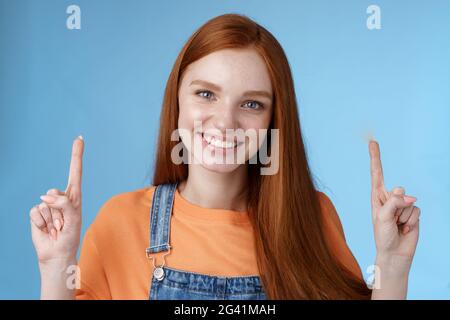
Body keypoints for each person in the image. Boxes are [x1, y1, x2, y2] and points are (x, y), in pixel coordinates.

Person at [30, 14, 420, 300]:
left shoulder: (310, 217)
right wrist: (55, 266)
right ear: (177, 100)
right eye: (206, 94)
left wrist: (392, 263)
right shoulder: (120, 221)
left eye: (251, 103)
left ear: (272, 120)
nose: (225, 122)